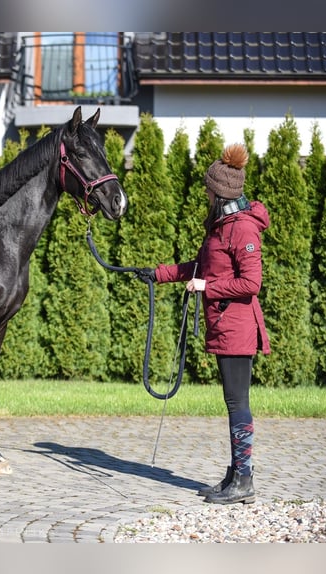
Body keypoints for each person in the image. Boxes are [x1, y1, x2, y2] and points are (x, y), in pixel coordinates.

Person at [138, 143, 270, 505]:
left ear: (220, 192)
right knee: (233, 402)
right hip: (223, 324)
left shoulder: (242, 229)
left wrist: (207, 287)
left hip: (238, 327)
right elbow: (198, 268)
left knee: (237, 402)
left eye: (208, 189)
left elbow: (251, 283)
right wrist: (156, 274)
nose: (205, 194)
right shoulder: (220, 226)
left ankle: (244, 479)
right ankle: (235, 475)